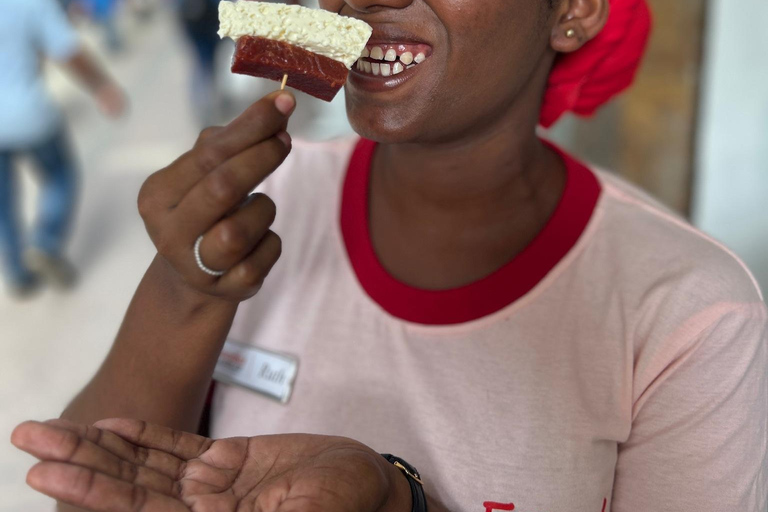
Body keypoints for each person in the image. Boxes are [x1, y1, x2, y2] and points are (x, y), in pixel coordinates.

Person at [11, 0, 767, 511]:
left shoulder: (693, 313)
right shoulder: (259, 206)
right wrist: (186, 292)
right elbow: (92, 480)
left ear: (572, 10)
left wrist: (401, 501)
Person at [0, 0, 126, 298]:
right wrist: (101, 86)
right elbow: (68, 51)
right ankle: (44, 242)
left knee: (3, 202)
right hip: (28, 114)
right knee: (61, 175)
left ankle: (17, 273)